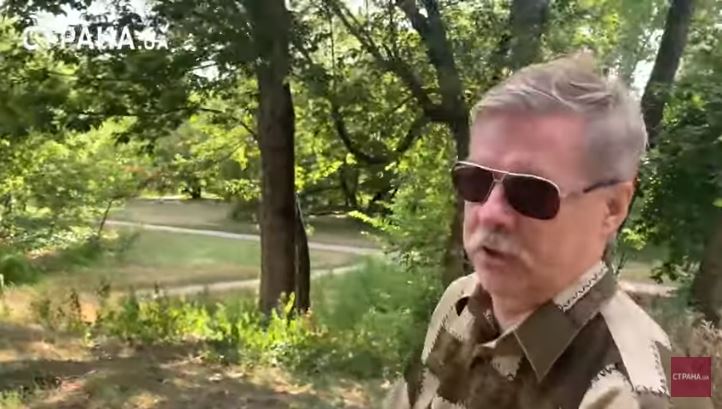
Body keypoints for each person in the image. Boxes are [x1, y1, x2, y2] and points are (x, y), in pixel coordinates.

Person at [382, 54, 713, 409]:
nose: (490, 213)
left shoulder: (644, 393)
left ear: (612, 207)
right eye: (475, 180)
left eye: (531, 192)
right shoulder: (461, 301)